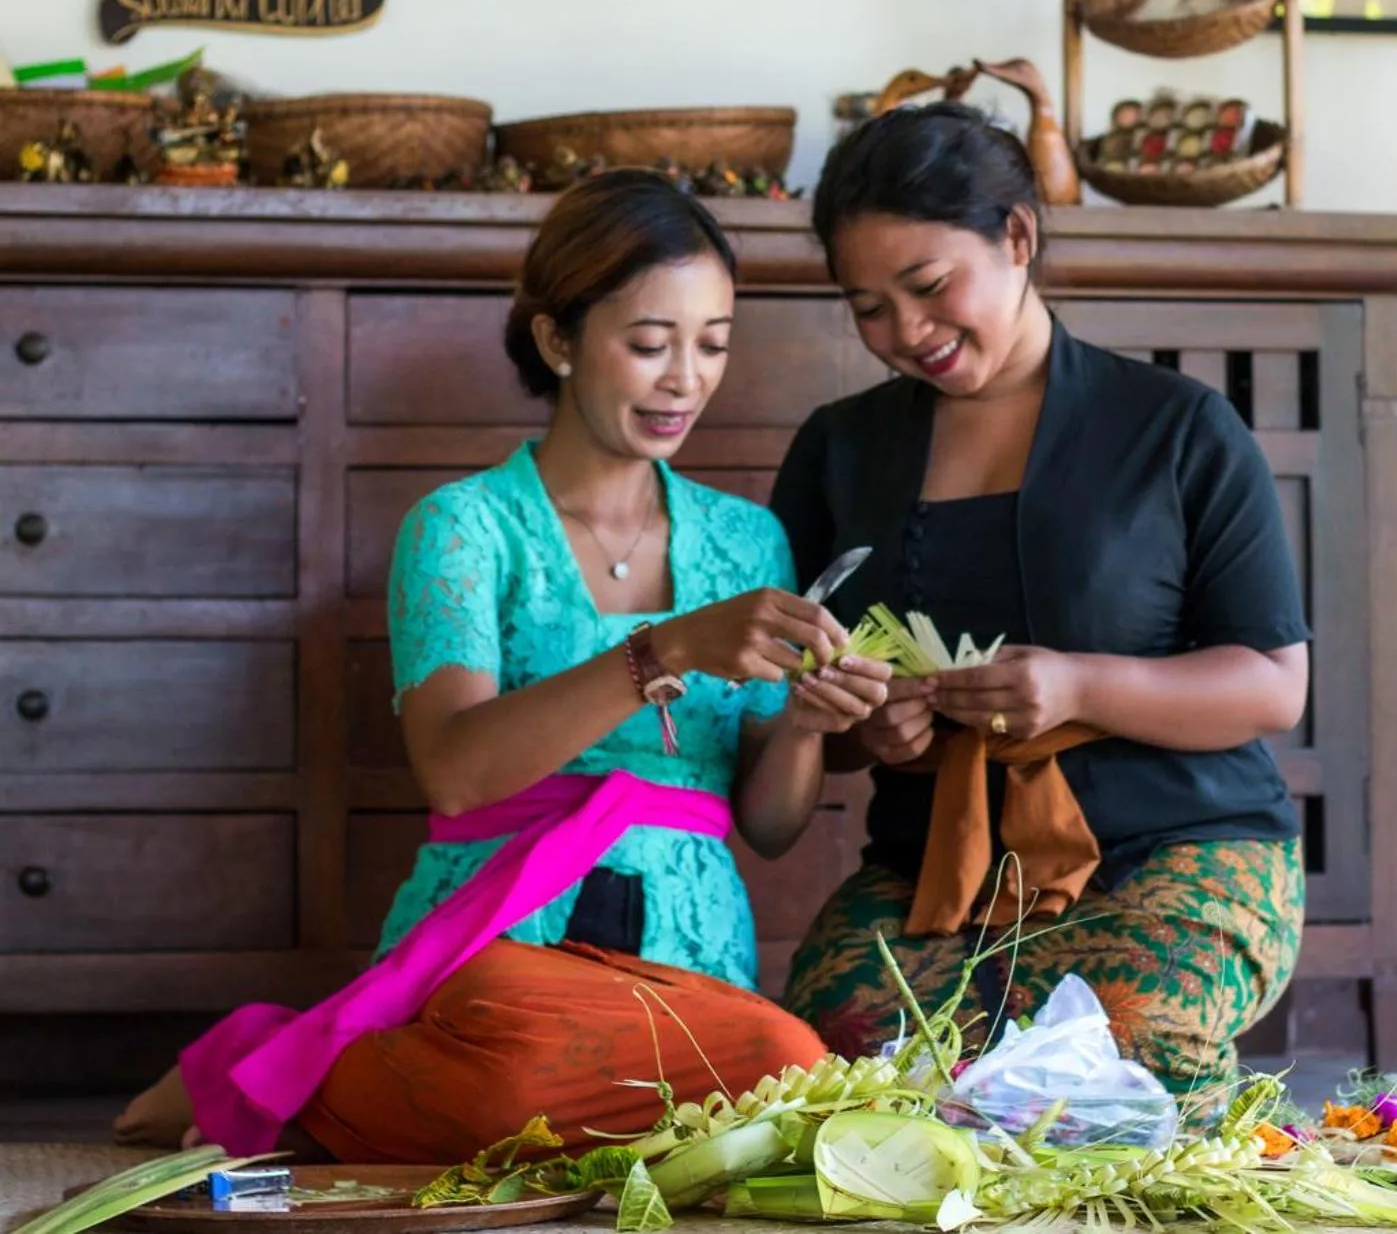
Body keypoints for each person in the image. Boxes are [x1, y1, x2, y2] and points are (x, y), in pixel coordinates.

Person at [114, 170, 889, 1161]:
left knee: (777, 1073)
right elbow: (457, 771)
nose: (684, 378)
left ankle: (324, 1075)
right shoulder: (463, 528)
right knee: (530, 1079)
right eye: (649, 344)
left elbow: (771, 827)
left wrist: (807, 728)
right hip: (504, 942)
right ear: (556, 339)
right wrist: (661, 650)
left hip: (689, 956)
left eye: (711, 345)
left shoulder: (747, 545)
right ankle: (340, 1074)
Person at [770, 104, 1310, 1092]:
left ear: (1016, 236)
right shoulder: (837, 449)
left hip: (1173, 845)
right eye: (867, 307)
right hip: (938, 871)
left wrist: (1077, 686)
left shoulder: (1177, 427)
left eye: (929, 286)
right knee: (826, 1071)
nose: (905, 331)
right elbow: (813, 719)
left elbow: (1273, 685)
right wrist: (870, 728)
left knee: (1120, 1059)